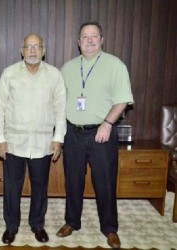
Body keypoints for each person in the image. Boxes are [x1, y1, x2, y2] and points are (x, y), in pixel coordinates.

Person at [56, 22, 134, 249]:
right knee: (73, 181)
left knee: (105, 183)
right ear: (78, 42)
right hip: (74, 133)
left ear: (102, 39)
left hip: (102, 133)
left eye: (94, 36)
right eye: (85, 36)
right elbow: (59, 101)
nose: (89, 40)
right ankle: (72, 222)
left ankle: (110, 229)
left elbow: (122, 100)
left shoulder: (115, 65)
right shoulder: (68, 68)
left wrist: (108, 123)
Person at [0, 34, 66, 244]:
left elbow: (60, 109)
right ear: (22, 50)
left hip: (43, 144)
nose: (33, 51)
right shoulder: (9, 74)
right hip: (13, 143)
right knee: (12, 188)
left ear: (43, 50)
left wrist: (58, 138)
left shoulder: (54, 75)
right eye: (29, 47)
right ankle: (11, 227)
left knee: (40, 187)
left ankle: (37, 225)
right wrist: (0, 139)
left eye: (37, 47)